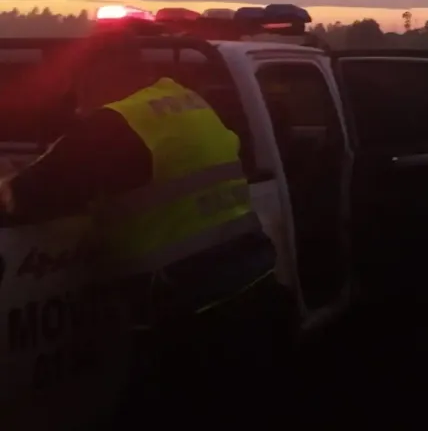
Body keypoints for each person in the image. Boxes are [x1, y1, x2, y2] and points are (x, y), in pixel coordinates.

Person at [0, 27, 280, 352]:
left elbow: (26, 197)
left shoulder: (115, 125)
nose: (76, 98)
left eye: (77, 83)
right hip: (255, 290)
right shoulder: (185, 100)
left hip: (194, 319)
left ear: (98, 73)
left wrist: (9, 180)